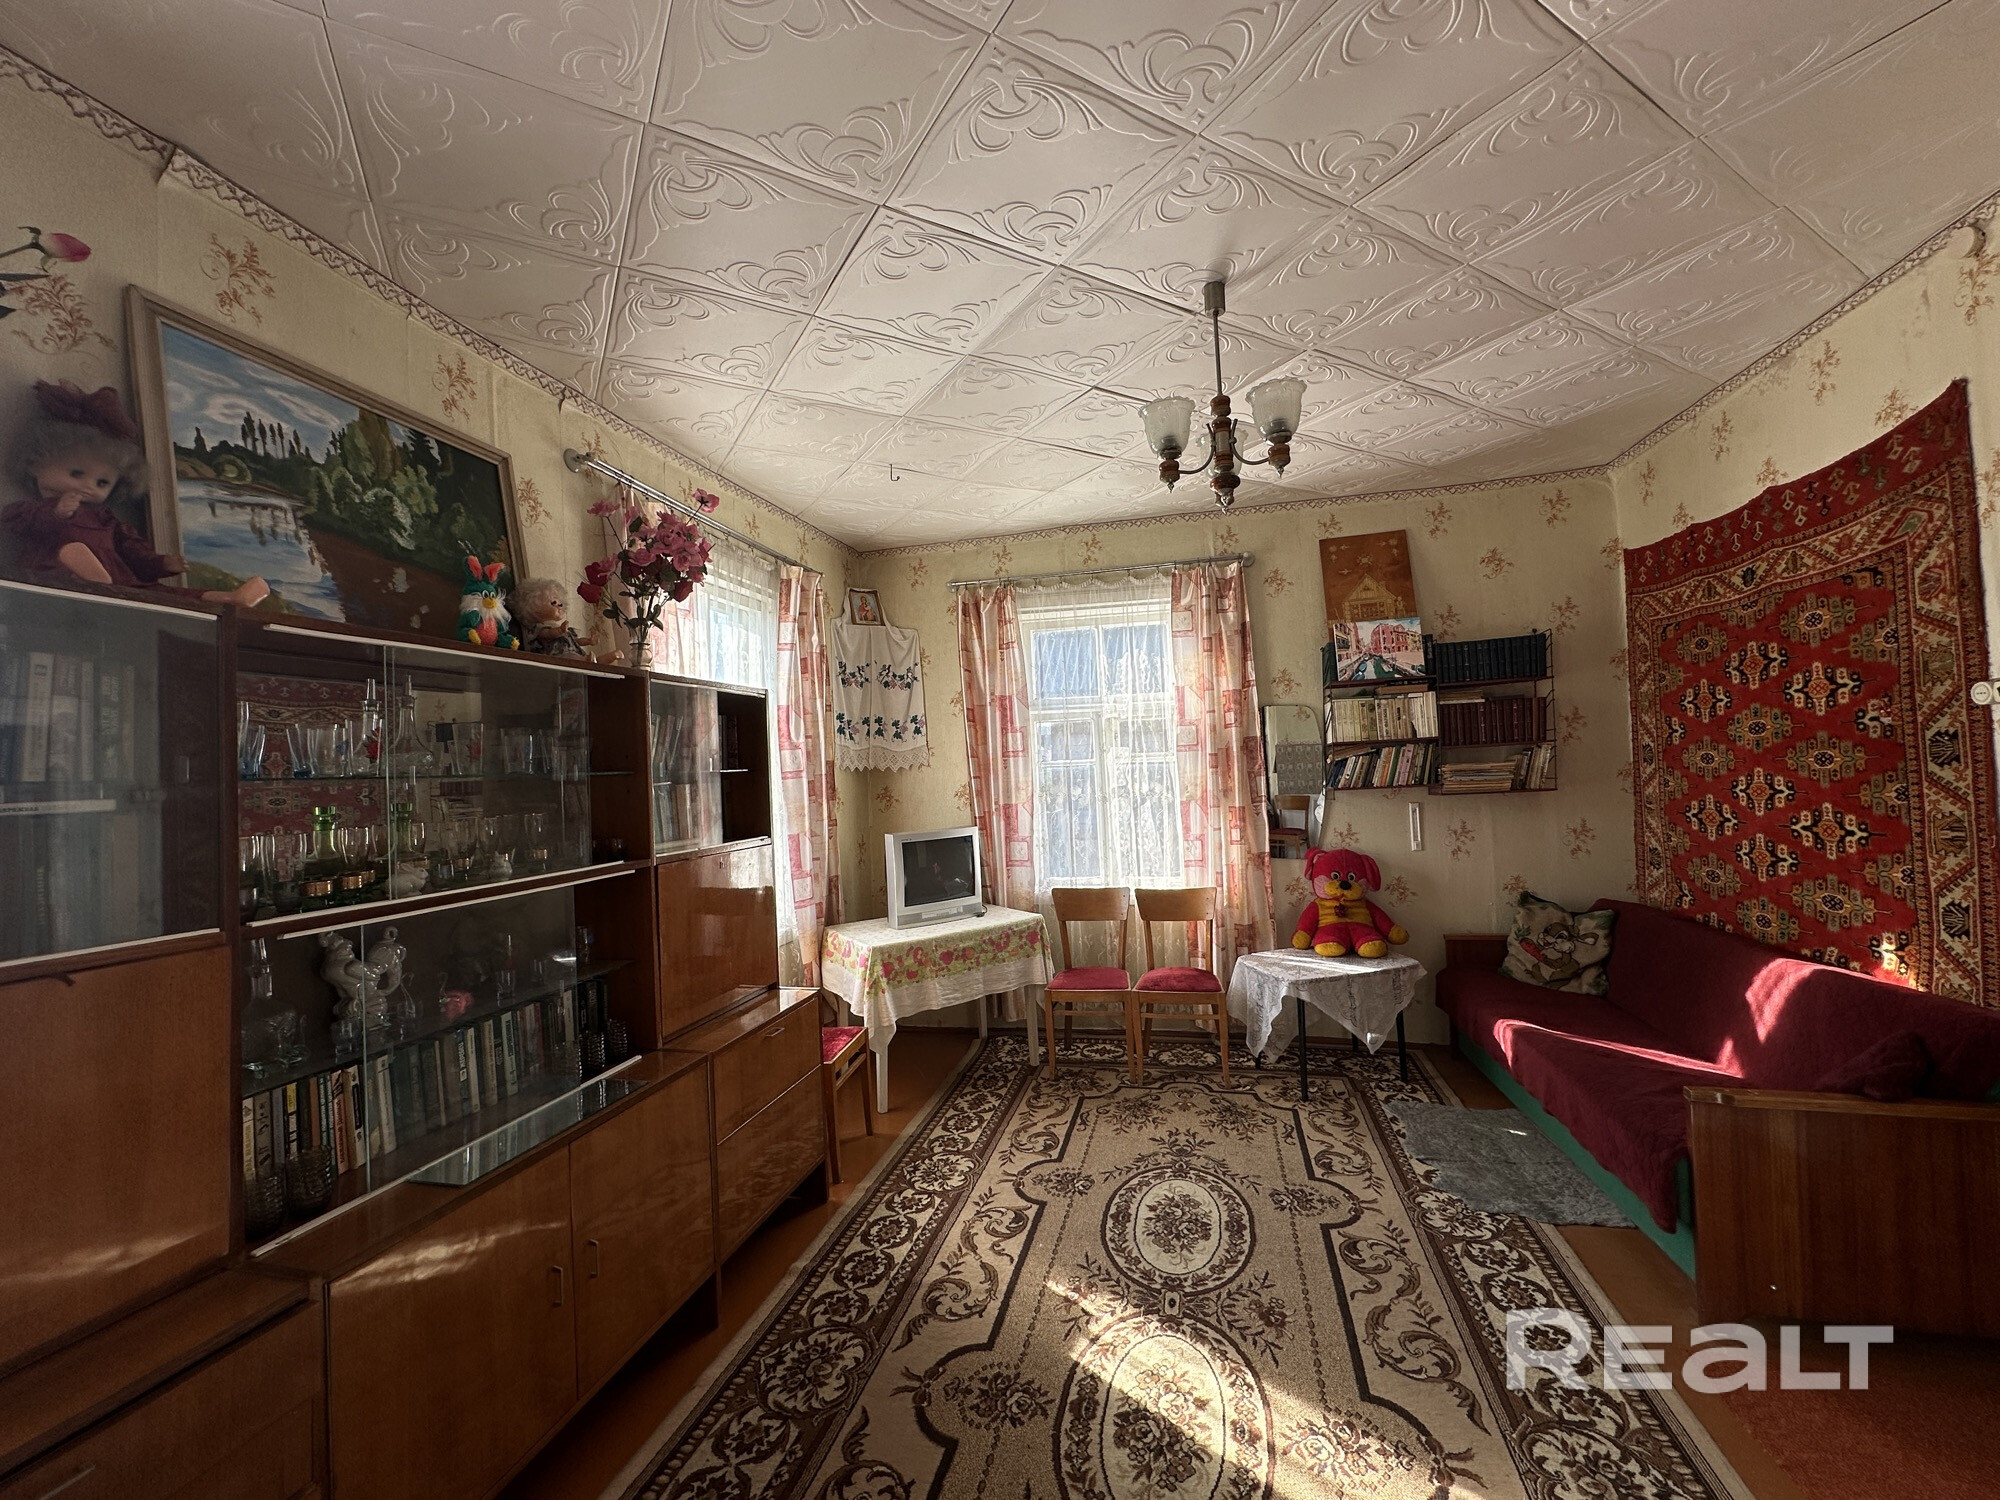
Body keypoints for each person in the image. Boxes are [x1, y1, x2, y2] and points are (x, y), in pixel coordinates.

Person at [3, 379, 268, 604]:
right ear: (37, 463)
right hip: (54, 570)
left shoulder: (105, 519)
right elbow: (16, 522)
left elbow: (130, 548)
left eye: (102, 483)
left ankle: (230, 599)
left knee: (164, 595)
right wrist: (56, 512)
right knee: (70, 549)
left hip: (119, 580)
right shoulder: (33, 510)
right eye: (76, 474)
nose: (88, 486)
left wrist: (160, 563)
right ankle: (87, 573)